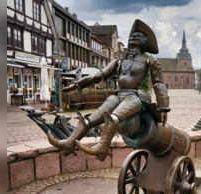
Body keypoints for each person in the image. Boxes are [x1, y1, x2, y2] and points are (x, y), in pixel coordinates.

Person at [47, 19, 170, 161]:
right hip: (119, 95)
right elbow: (100, 75)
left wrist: (163, 107)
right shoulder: (119, 61)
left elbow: (158, 83)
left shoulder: (149, 61)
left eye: (139, 36)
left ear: (146, 43)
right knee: (90, 119)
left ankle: (103, 146)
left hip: (134, 97)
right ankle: (69, 142)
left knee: (113, 117)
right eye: (133, 35)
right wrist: (77, 85)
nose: (134, 37)